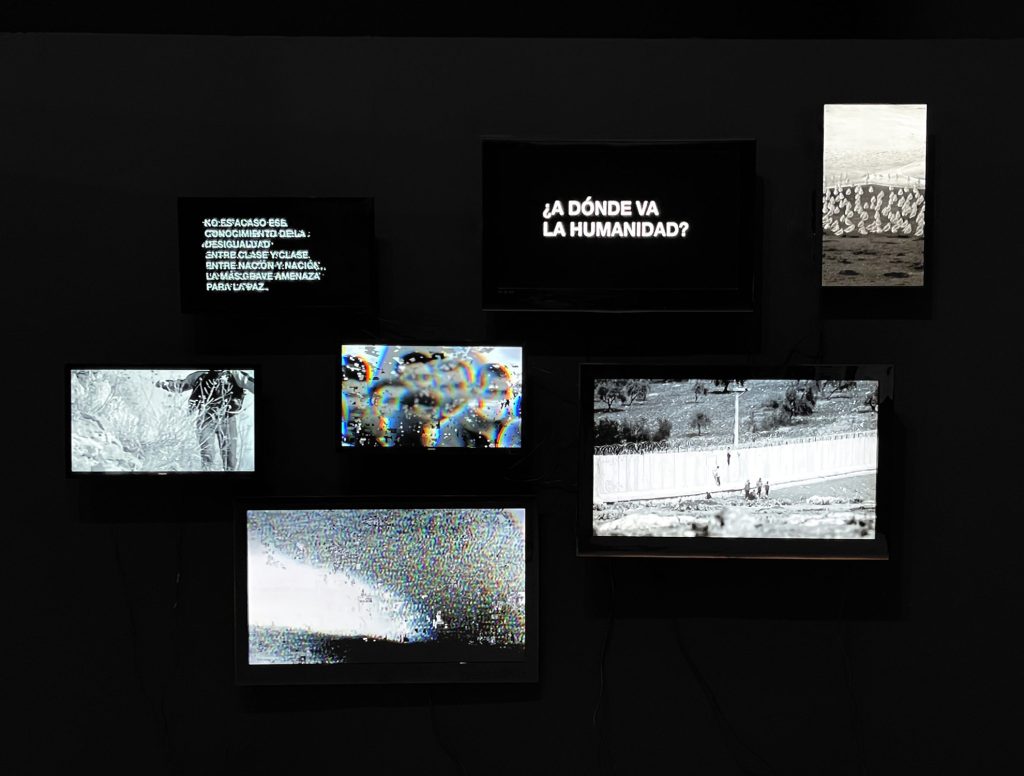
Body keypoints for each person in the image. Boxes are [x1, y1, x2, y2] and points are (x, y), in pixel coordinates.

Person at [157, 369, 255, 470]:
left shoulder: (235, 375)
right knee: (207, 455)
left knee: (230, 459)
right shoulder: (200, 375)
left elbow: (251, 383)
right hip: (206, 420)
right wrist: (165, 384)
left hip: (227, 420)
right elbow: (181, 385)